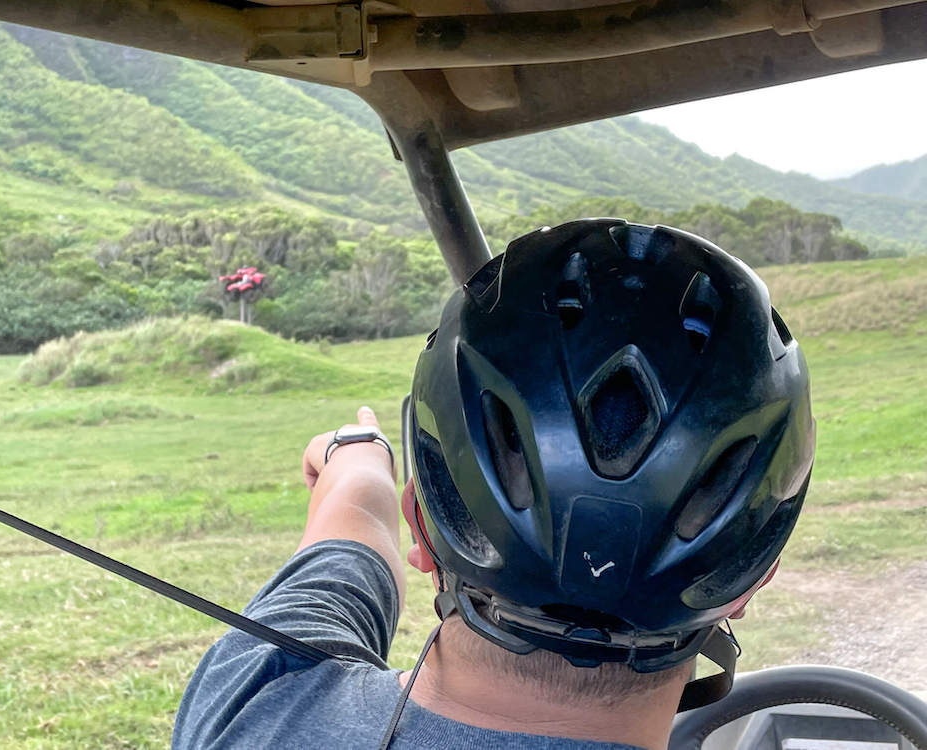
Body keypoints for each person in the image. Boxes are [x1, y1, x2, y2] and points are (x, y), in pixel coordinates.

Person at [172, 219, 815, 750]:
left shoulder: (254, 711)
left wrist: (358, 459)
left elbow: (342, 552)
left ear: (420, 532)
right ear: (752, 578)